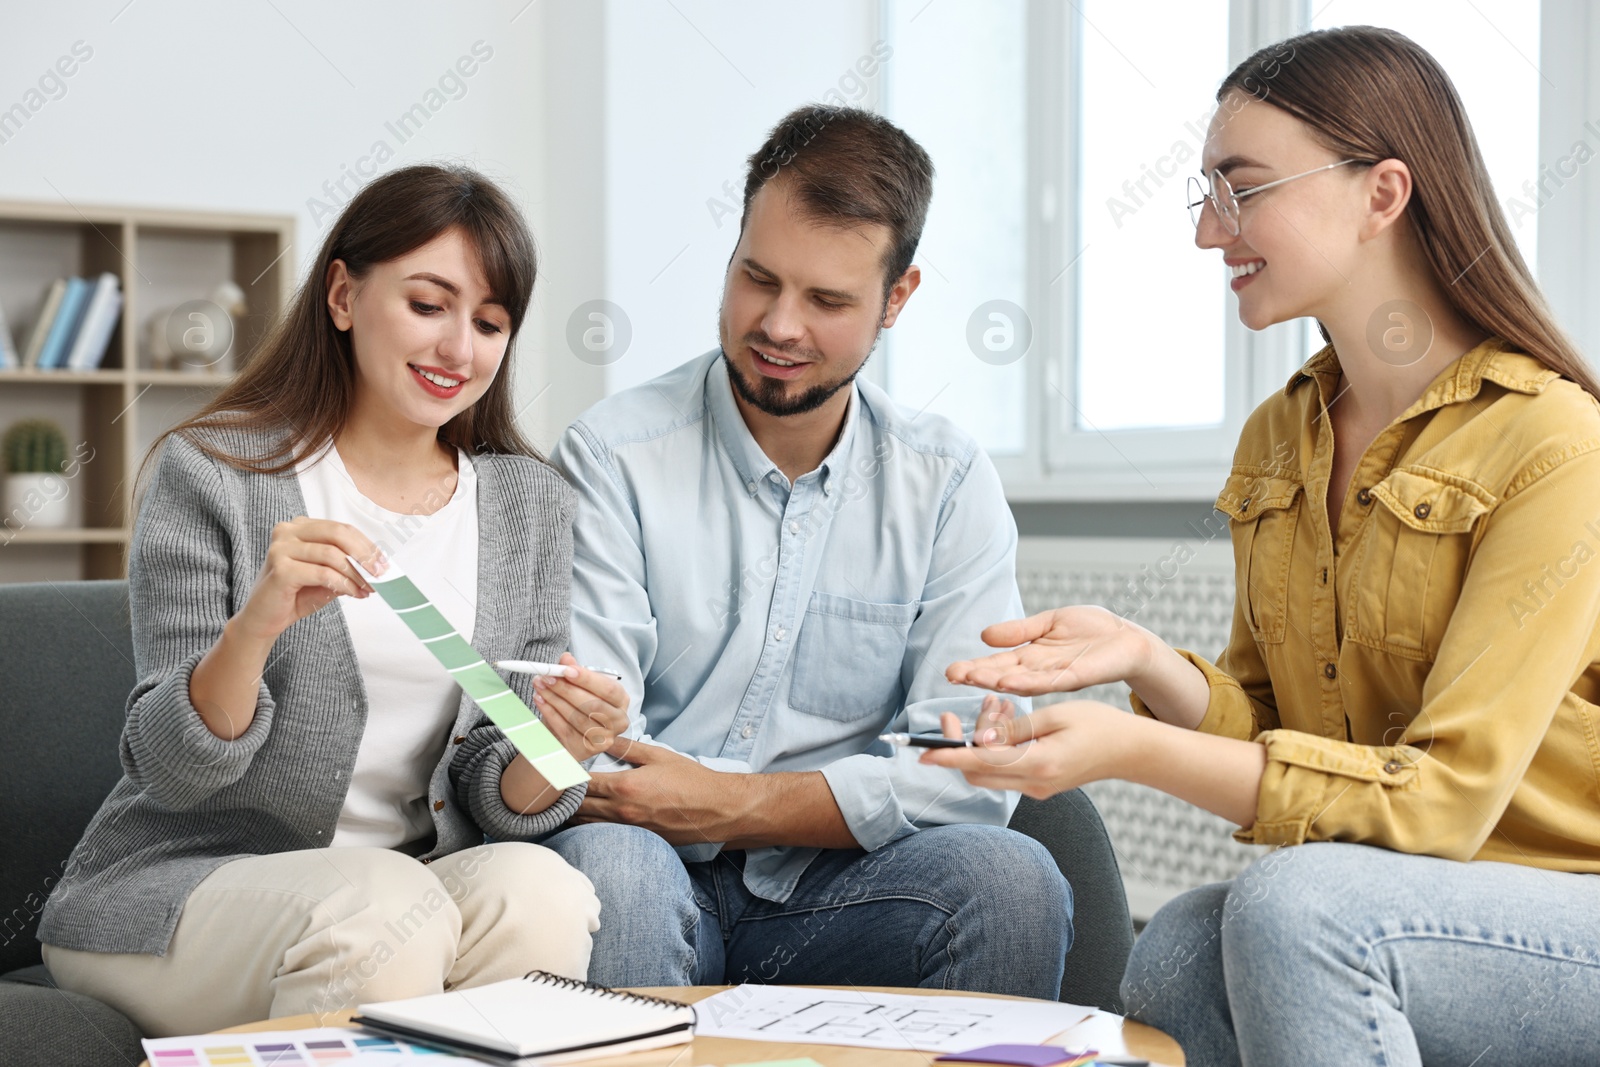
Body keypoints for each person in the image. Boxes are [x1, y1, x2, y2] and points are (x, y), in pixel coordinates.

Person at [922, 26, 1600, 1065]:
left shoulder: (1553, 440)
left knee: (1296, 905)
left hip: (1565, 912)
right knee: (1179, 950)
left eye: (1240, 189)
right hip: (1416, 900)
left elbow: (1443, 804)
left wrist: (1133, 751)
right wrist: (1142, 659)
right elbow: (1275, 722)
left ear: (1383, 192)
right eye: (1205, 195)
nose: (1207, 233)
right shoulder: (1281, 436)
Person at [38, 165, 616, 1037]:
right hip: (178, 890)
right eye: (429, 305)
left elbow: (496, 792)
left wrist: (558, 744)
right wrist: (259, 621)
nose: (460, 349)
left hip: (401, 886)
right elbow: (170, 764)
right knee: (374, 904)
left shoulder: (527, 503)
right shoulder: (216, 475)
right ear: (343, 294)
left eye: (490, 323)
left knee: (541, 891)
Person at [538, 105, 1072, 997]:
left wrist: (737, 803)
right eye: (758, 279)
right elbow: (589, 751)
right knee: (613, 869)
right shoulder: (612, 454)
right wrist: (703, 806)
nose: (780, 325)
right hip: (650, 863)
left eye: (826, 300)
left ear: (895, 300)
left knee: (1008, 881)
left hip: (845, 889)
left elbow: (969, 770)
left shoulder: (944, 481)